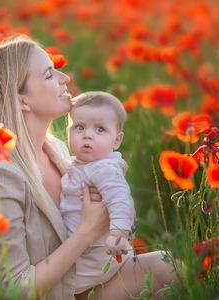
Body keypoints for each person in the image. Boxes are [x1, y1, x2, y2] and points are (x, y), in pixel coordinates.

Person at [0, 34, 178, 300]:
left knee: (167, 267)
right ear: (22, 100)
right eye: (49, 74)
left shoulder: (54, 150)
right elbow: (14, 289)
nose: (65, 78)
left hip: (67, 289)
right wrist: (87, 231)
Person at [60, 91, 136, 294]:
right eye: (79, 127)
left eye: (100, 129)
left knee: (66, 285)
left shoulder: (104, 169)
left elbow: (121, 200)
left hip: (97, 253)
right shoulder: (81, 164)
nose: (87, 134)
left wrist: (118, 234)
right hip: (85, 248)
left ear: (116, 141)